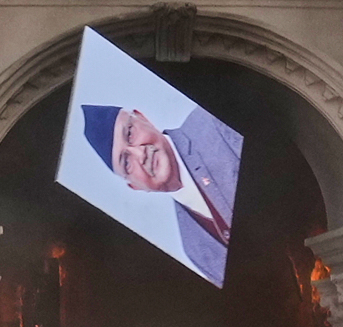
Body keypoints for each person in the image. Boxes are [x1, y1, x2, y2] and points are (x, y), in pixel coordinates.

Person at [79, 101, 242, 278]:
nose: (140, 155)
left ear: (143, 118)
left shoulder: (214, 122)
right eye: (126, 162)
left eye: (130, 133)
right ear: (134, 186)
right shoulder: (193, 247)